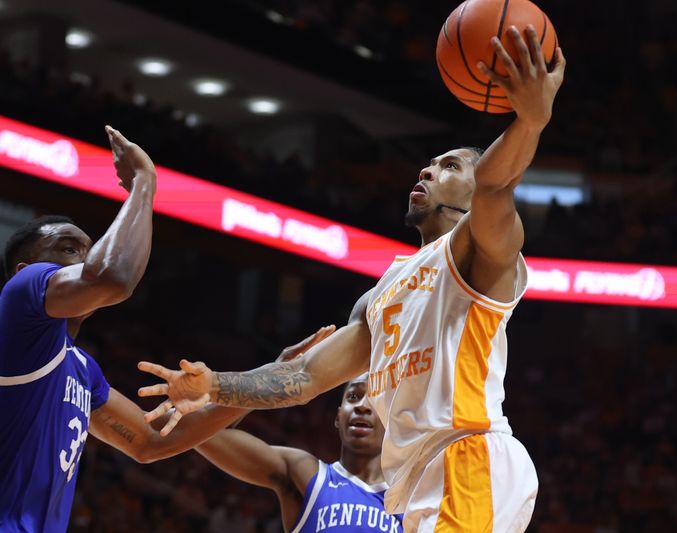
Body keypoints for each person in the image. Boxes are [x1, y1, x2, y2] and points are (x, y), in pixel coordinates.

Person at [140, 25, 565, 532]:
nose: (427, 172)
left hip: (468, 457)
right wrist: (215, 387)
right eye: (427, 165)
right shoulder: (380, 294)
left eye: (449, 166)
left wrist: (531, 121)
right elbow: (302, 379)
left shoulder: (480, 253)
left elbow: (496, 183)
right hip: (421, 482)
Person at [0, 126, 333, 532]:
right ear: (27, 269)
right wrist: (143, 183)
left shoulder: (82, 369)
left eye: (87, 250)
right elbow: (113, 277)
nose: (83, 259)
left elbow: (151, 443)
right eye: (69, 250)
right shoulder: (20, 298)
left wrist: (272, 374)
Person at [196, 374, 402, 532]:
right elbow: (207, 432)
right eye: (353, 397)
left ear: (392, 420)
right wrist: (271, 378)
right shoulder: (306, 474)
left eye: (376, 399)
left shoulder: (411, 501)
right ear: (339, 416)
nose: (362, 406)